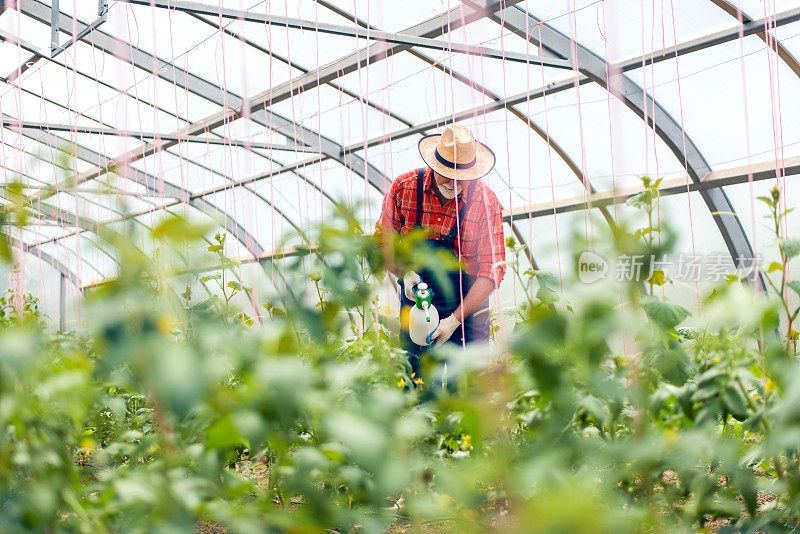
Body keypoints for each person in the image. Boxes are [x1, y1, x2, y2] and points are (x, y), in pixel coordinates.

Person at [376, 124, 506, 380]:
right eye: (448, 174)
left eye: (463, 177)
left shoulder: (484, 201)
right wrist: (406, 273)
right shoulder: (405, 188)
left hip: (467, 311)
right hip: (418, 307)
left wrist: (454, 320)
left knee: (469, 391)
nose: (455, 183)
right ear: (435, 165)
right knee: (417, 383)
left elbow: (491, 271)